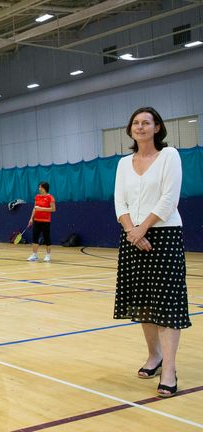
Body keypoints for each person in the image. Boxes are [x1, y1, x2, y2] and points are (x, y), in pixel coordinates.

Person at [113, 107, 189, 398]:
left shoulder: (170, 156)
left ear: (157, 127)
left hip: (164, 234)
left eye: (147, 122)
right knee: (145, 303)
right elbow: (120, 201)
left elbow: (170, 198)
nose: (141, 127)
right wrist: (133, 231)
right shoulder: (122, 163)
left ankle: (169, 369)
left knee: (167, 305)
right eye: (136, 123)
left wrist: (142, 229)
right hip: (132, 235)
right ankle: (154, 356)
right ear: (130, 129)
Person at [26, 182, 56, 262]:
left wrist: (41, 209)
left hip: (46, 221)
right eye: (39, 187)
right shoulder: (37, 197)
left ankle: (48, 255)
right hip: (36, 220)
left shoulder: (50, 198)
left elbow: (53, 209)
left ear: (44, 188)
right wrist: (31, 219)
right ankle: (34, 255)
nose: (39, 189)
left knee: (47, 238)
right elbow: (34, 208)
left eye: (40, 187)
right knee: (35, 238)